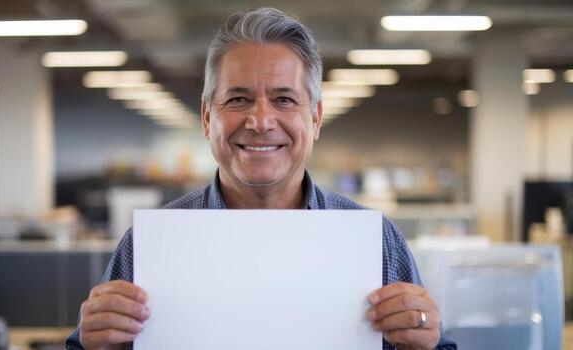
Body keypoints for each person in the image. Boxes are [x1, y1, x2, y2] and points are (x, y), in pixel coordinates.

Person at [66, 7, 457, 350]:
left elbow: (435, 346)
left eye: (284, 100)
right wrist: (96, 343)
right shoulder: (148, 247)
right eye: (238, 99)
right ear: (207, 118)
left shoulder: (376, 242)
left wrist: (425, 341)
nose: (260, 122)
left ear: (316, 118)